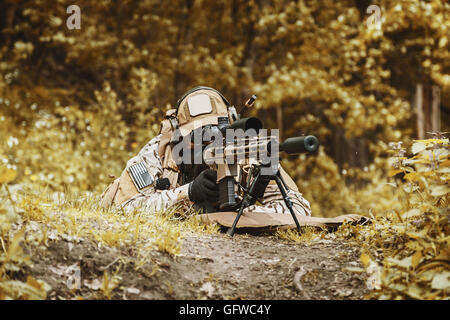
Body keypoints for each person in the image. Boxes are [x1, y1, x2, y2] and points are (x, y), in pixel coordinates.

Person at [99, 86, 312, 217]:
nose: (206, 143)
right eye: (195, 136)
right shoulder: (158, 152)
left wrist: (241, 213)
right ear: (178, 134)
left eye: (214, 134)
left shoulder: (245, 151)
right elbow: (123, 209)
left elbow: (299, 210)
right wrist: (187, 193)